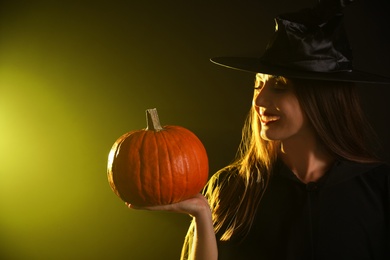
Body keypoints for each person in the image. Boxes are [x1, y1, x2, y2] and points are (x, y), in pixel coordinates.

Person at [128, 1, 390, 259]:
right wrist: (201, 216)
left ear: (322, 98)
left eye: (278, 85)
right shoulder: (229, 187)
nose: (259, 101)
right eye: (257, 85)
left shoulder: (379, 188)